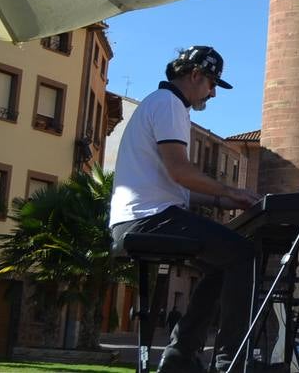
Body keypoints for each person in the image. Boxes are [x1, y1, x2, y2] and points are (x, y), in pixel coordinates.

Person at [109, 46, 261, 373]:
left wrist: (226, 200)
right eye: (212, 83)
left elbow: (176, 187)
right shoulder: (169, 105)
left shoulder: (160, 104)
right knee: (244, 254)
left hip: (141, 219)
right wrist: (230, 189)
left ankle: (182, 355)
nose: (214, 93)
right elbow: (181, 172)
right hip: (147, 221)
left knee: (222, 263)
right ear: (194, 75)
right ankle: (230, 362)